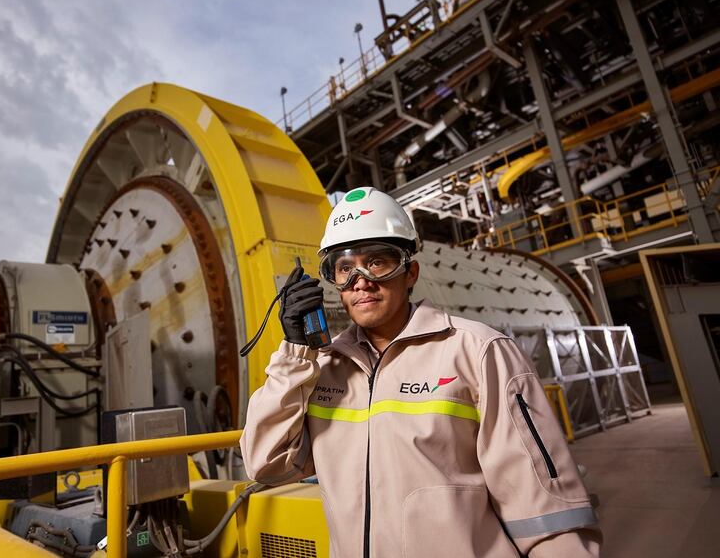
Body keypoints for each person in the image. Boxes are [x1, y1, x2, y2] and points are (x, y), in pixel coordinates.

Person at [241, 187, 601, 557]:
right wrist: (296, 352)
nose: (360, 280)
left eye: (377, 262)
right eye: (345, 268)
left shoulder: (478, 352)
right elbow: (264, 462)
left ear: (410, 271)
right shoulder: (324, 369)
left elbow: (547, 513)